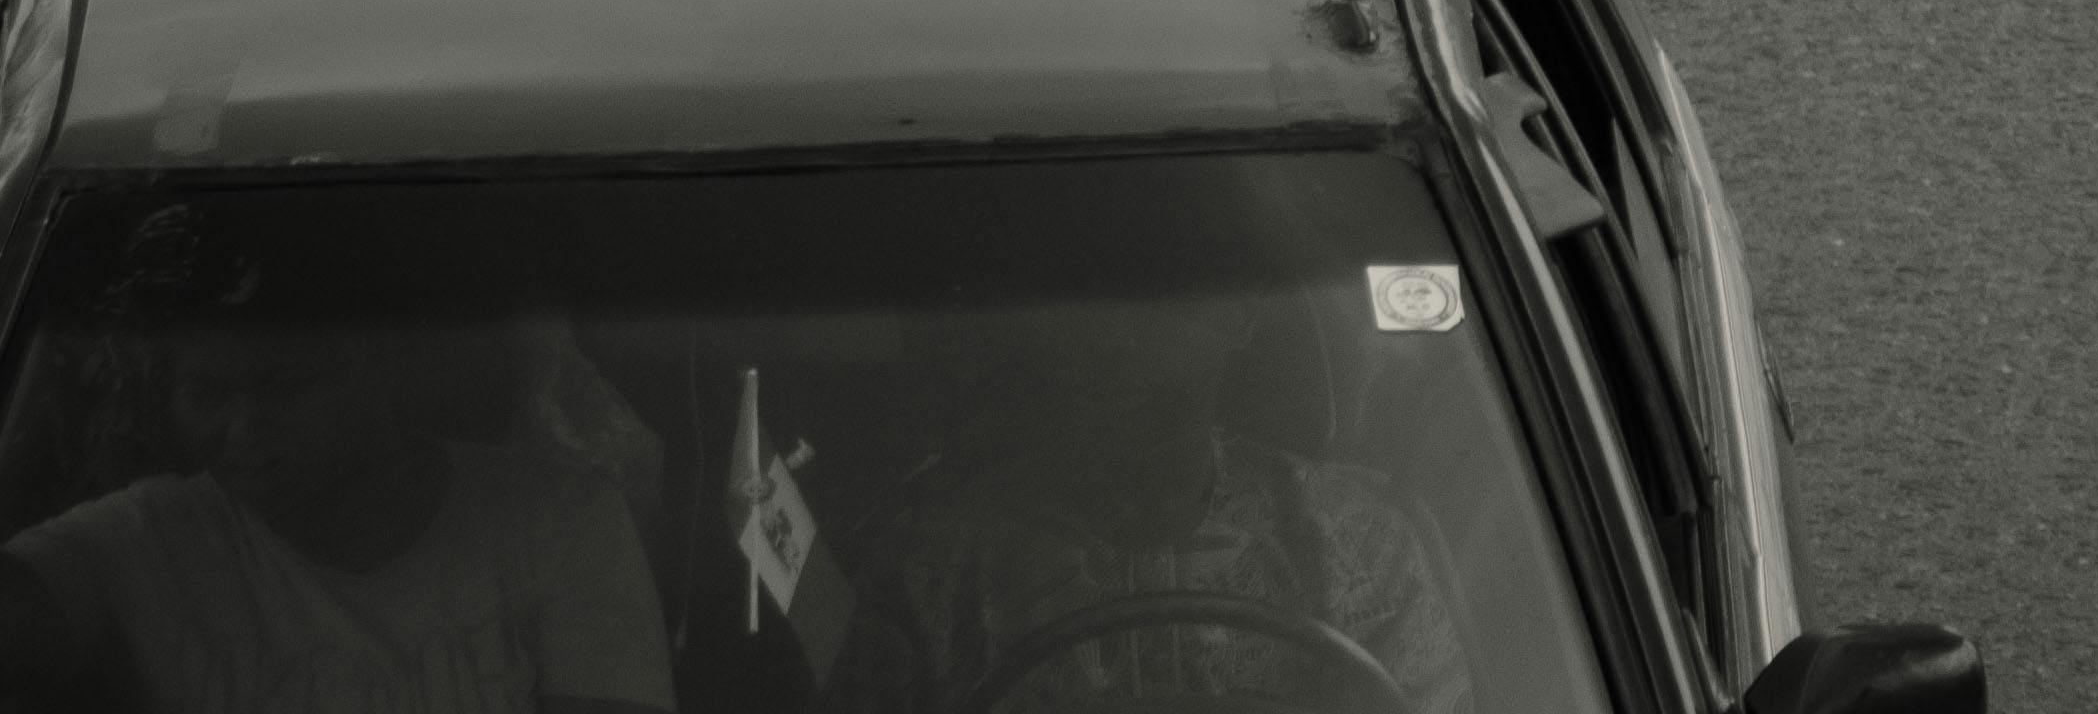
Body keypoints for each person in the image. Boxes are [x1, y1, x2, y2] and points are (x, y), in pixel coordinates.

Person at [0, 311, 675, 714]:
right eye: (207, 392)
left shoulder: (555, 521)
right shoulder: (145, 541)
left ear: (377, 375)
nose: (242, 429)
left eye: (284, 386)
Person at [827, 299, 1470, 712]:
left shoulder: (1357, 539)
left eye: (1159, 306)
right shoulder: (935, 565)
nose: (1119, 343)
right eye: (1090, 310)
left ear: (1236, 319)